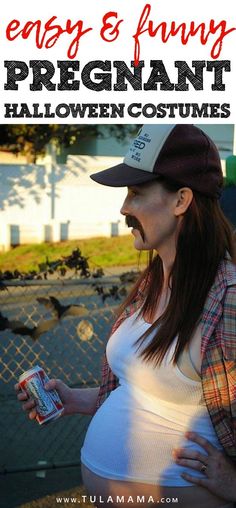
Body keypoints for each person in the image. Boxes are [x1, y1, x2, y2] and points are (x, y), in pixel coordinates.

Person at [15, 125, 236, 508]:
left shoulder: (229, 297)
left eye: (136, 193)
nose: (124, 208)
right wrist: (77, 400)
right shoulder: (152, 281)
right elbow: (147, 391)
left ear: (181, 199)